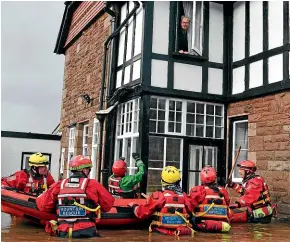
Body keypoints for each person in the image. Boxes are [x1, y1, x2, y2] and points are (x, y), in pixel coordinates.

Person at [36, 155, 115, 238]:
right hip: (86, 231)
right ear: (84, 170)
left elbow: (43, 205)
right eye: (88, 169)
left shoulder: (59, 185)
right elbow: (108, 205)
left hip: (63, 232)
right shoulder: (92, 184)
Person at [129, 166, 195, 236]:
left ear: (162, 181)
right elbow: (191, 211)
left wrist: (134, 206)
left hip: (161, 232)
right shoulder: (184, 196)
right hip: (181, 232)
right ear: (179, 181)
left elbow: (141, 213)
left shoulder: (158, 195)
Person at [188, 166, 231, 233]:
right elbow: (227, 204)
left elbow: (190, 207)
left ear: (201, 178)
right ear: (214, 177)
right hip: (222, 226)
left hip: (203, 224)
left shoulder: (197, 190)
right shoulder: (223, 190)